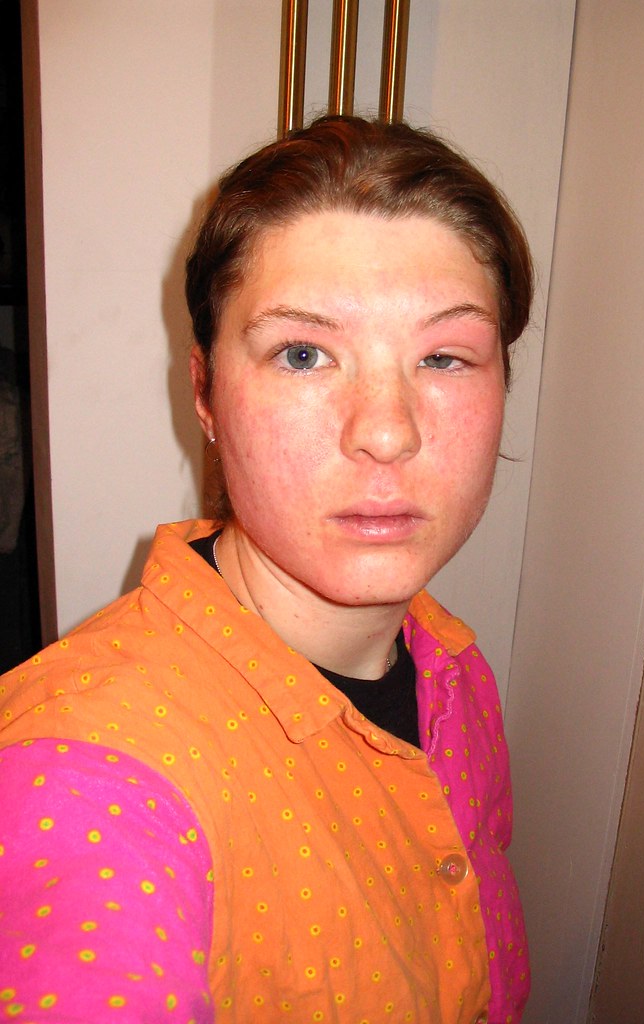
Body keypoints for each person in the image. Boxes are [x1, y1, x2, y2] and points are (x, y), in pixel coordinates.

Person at [0, 115, 532, 1023]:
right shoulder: (83, 787)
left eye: (444, 357)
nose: (386, 430)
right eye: (303, 354)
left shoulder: (453, 669)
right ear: (204, 393)